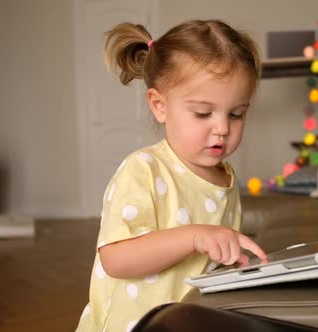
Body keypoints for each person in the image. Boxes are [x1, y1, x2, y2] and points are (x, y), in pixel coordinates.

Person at [75, 19, 267, 332]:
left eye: (236, 114)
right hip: (135, 324)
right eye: (203, 113)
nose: (222, 128)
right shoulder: (143, 170)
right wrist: (194, 236)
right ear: (159, 106)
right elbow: (116, 259)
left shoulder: (225, 176)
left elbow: (206, 260)